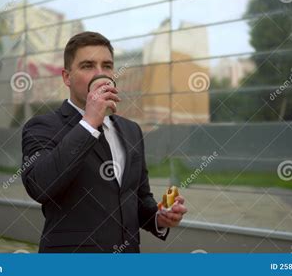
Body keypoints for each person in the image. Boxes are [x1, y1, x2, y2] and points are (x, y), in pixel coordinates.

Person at [21, 31, 187, 253]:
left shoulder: (131, 130)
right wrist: (90, 121)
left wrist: (160, 217)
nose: (100, 74)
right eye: (88, 66)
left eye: (107, 66)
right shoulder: (42, 127)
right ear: (66, 77)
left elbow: (137, 199)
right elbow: (40, 186)